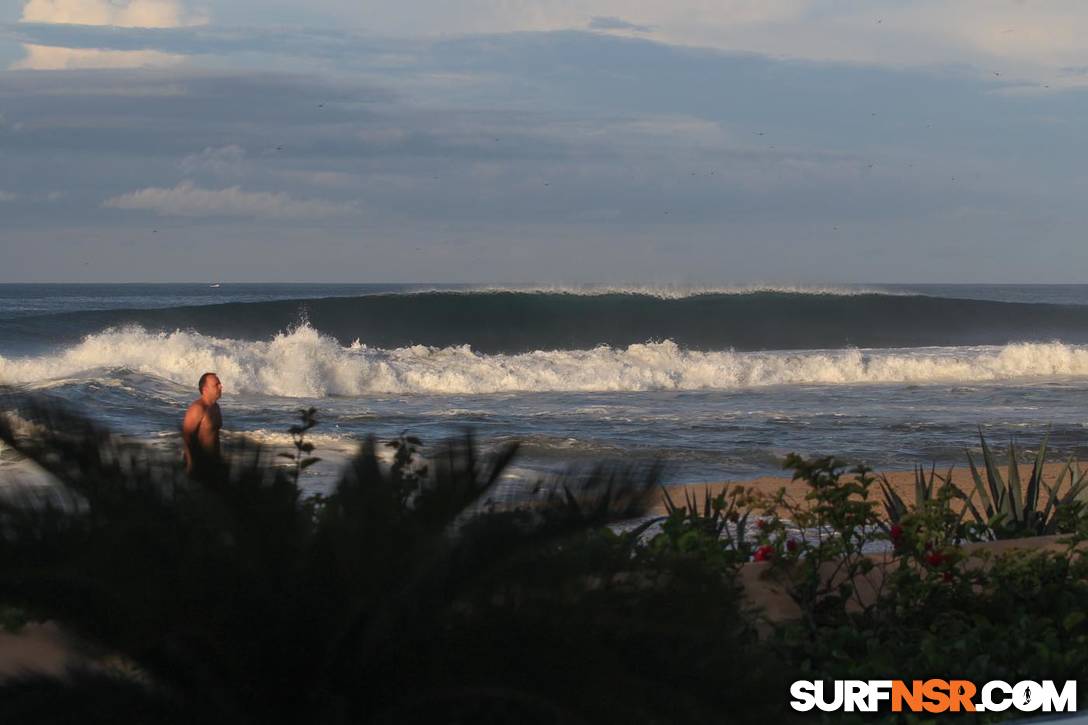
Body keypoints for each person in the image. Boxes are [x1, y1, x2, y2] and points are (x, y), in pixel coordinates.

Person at [182, 372, 223, 475]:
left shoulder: (216, 407)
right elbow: (187, 437)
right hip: (198, 463)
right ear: (205, 390)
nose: (221, 386)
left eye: (220, 384)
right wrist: (190, 464)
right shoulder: (197, 408)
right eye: (216, 385)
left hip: (214, 463)